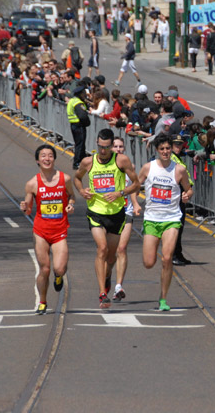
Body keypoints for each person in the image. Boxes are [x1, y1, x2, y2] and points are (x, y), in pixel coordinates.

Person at [75, 128, 141, 308]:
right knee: (102, 248)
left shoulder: (121, 161)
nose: (103, 151)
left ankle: (108, 276)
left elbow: (136, 184)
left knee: (111, 257)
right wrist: (82, 190)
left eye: (106, 147)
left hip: (116, 213)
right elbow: (77, 178)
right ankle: (102, 292)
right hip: (96, 212)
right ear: (96, 144)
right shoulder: (88, 161)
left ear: (112, 146)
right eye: (100, 146)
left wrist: (120, 193)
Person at [136, 134, 193, 311]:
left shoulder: (180, 169)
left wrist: (186, 196)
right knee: (148, 262)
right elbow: (135, 186)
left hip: (172, 218)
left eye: (168, 148)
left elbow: (189, 189)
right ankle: (161, 294)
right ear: (157, 151)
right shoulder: (148, 168)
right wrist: (135, 203)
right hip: (152, 218)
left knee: (167, 258)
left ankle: (163, 299)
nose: (166, 152)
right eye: (162, 149)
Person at [19, 145, 75, 315]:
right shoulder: (32, 183)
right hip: (41, 231)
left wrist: (71, 205)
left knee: (59, 268)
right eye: (43, 156)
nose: (47, 159)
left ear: (54, 159)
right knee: (44, 269)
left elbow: (71, 196)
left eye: (50, 155)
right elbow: (28, 210)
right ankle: (43, 301)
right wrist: (24, 207)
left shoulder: (64, 179)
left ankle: (58, 278)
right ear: (38, 160)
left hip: (60, 231)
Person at [109, 136, 142, 301]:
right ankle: (106, 278)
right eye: (115, 146)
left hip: (125, 211)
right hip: (107, 213)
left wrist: (135, 203)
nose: (118, 149)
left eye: (121, 147)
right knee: (108, 252)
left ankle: (118, 286)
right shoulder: (103, 167)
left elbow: (134, 187)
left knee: (121, 249)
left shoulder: (130, 166)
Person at [170, 134, 195, 266]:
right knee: (176, 227)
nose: (178, 147)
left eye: (180, 144)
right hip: (176, 196)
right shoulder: (171, 158)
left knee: (180, 227)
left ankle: (178, 253)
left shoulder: (177, 157)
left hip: (182, 194)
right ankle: (173, 254)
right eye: (175, 144)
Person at [67, 85, 91, 170]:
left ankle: (82, 160)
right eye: (84, 93)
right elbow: (82, 116)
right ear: (80, 93)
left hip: (73, 124)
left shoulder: (72, 100)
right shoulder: (78, 103)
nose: (85, 94)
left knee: (80, 144)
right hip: (79, 125)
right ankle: (77, 162)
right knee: (80, 145)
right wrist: (88, 123)